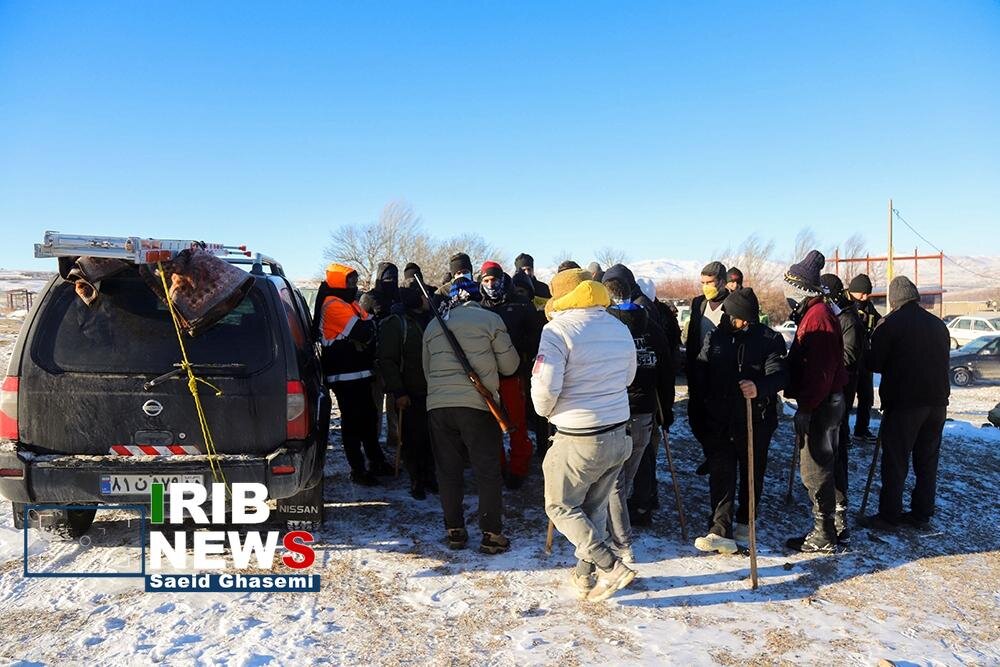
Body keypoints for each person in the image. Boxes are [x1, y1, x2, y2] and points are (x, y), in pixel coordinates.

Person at [532, 268, 638, 602]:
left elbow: (546, 386)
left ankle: (610, 567)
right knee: (593, 508)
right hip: (619, 431)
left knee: (560, 506)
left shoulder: (557, 330)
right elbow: (629, 376)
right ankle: (583, 574)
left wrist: (545, 411)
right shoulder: (618, 325)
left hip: (580, 435)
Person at [423, 276, 520, 554]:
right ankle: (491, 534)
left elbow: (427, 370)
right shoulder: (491, 320)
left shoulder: (433, 325)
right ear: (477, 296)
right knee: (487, 471)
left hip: (439, 406)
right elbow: (510, 365)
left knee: (448, 470)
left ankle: (454, 531)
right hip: (478, 406)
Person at [692, 288, 787, 553]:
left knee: (752, 472)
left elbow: (779, 375)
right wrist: (701, 404)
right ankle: (719, 530)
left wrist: (759, 387)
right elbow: (700, 372)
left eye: (748, 319)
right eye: (739, 318)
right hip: (720, 419)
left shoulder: (769, 339)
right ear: (728, 315)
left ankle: (746, 520)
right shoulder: (715, 337)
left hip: (755, 419)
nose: (744, 323)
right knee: (721, 473)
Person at [863, 277, 950, 531]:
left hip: (905, 404)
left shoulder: (891, 323)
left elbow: (874, 363)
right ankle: (922, 513)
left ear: (894, 299)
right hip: (937, 403)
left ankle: (889, 515)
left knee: (896, 460)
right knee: (927, 461)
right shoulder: (937, 324)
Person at [603, 275, 675, 563]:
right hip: (644, 411)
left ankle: (621, 542)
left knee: (615, 481)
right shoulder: (654, 327)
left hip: (615, 411)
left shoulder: (608, 327)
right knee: (624, 478)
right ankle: (616, 532)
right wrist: (666, 410)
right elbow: (667, 373)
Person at [782, 251, 849, 552]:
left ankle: (824, 533)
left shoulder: (819, 318)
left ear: (801, 292)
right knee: (819, 467)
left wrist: (806, 409)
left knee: (816, 469)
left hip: (822, 404)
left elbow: (821, 372)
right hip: (823, 401)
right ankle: (827, 528)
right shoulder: (814, 314)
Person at [317, 263, 392, 486]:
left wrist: (369, 329)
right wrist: (368, 331)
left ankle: (375, 461)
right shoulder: (332, 304)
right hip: (344, 376)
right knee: (352, 424)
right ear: (338, 281)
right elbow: (363, 331)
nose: (353, 284)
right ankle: (358, 470)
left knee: (369, 419)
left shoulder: (349, 303)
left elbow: (370, 325)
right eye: (349, 280)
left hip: (359, 373)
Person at [479, 261, 544, 488]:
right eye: (486, 281)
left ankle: (519, 468)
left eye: (494, 279)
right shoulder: (479, 307)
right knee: (490, 424)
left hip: (514, 373)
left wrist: (515, 347)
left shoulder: (521, 304)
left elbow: (536, 336)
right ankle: (498, 466)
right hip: (486, 376)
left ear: (502, 279)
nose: (490, 284)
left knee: (516, 423)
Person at [377, 283, 437, 499]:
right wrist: (399, 391)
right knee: (412, 439)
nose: (428, 298)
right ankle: (416, 479)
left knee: (432, 437)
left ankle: (430, 475)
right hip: (409, 392)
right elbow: (388, 360)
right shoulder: (397, 324)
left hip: (433, 390)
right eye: (424, 295)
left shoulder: (432, 319)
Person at [820, 273, 865, 541]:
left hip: (839, 397)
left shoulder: (847, 319)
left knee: (836, 457)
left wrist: (824, 369)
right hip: (828, 396)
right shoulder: (834, 316)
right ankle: (828, 512)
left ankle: (839, 518)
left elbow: (847, 359)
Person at [686, 261, 731, 474]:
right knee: (696, 417)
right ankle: (709, 452)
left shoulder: (732, 304)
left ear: (722, 281)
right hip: (698, 368)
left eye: (709, 282)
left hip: (720, 371)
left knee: (716, 418)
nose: (705, 286)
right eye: (702, 282)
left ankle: (717, 458)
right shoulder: (698, 304)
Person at [361, 262, 402, 455]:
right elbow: (361, 328)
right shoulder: (369, 298)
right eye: (386, 277)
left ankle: (395, 440)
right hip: (375, 361)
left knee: (396, 405)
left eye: (394, 277)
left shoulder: (398, 297)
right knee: (374, 407)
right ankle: (373, 443)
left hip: (395, 360)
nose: (390, 281)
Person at [847, 273, 881, 442]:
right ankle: (842, 433)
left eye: (868, 294)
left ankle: (861, 429)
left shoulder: (869, 307)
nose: (865, 297)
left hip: (864, 359)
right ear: (853, 291)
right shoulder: (843, 303)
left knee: (866, 397)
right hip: (848, 359)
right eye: (862, 293)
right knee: (846, 399)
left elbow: (878, 324)